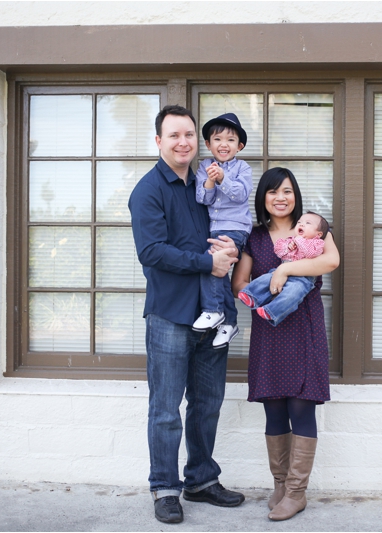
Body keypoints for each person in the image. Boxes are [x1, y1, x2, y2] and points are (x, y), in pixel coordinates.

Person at [128, 105, 246, 525]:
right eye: (174, 135)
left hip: (211, 314)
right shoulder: (148, 191)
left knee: (207, 403)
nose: (183, 142)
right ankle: (165, 487)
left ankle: (201, 479)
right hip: (171, 315)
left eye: (189, 135)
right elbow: (152, 252)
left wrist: (232, 251)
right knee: (165, 408)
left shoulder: (204, 184)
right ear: (159, 141)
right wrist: (208, 263)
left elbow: (229, 228)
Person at [231, 168, 340, 521]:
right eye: (273, 191)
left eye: (288, 191)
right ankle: (279, 486)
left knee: (301, 408)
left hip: (304, 329)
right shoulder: (255, 237)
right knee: (274, 409)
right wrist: (267, 284)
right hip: (268, 331)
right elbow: (239, 284)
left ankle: (296, 493)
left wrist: (285, 270)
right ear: (263, 197)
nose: (281, 198)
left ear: (296, 196)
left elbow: (331, 261)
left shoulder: (313, 229)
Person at [192, 113, 253, 348]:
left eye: (230, 140)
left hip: (236, 228)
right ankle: (229, 322)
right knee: (219, 270)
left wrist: (223, 178)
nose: (223, 144)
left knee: (212, 262)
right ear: (208, 144)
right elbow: (202, 199)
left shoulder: (243, 167)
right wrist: (210, 180)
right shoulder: (204, 166)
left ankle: (213, 310)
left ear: (240, 146)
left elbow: (240, 194)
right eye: (217, 139)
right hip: (214, 229)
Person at [238, 211, 329, 327]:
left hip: (302, 279)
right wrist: (288, 247)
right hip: (280, 274)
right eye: (299, 222)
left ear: (318, 234)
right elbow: (279, 252)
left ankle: (271, 311)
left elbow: (311, 254)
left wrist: (299, 241)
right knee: (265, 279)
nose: (301, 224)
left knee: (292, 292)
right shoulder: (291, 240)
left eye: (308, 223)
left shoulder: (317, 243)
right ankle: (252, 296)